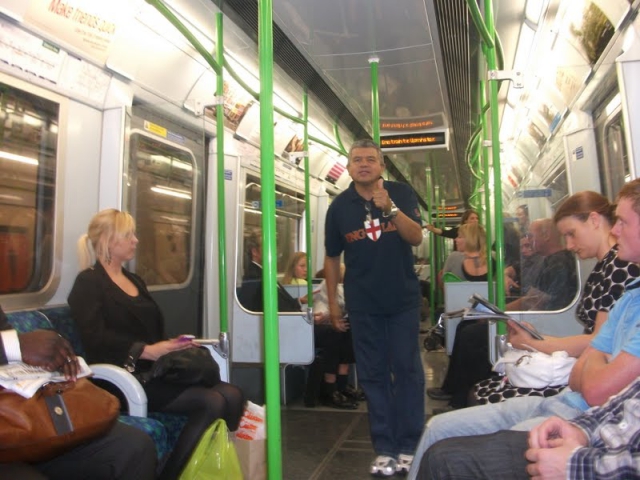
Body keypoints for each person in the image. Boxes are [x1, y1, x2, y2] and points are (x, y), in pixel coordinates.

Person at [407, 179, 640, 480]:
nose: (616, 231)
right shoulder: (627, 289)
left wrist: (550, 346)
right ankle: (454, 394)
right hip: (569, 397)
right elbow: (584, 366)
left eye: (623, 222)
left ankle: (456, 396)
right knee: (436, 428)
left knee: (448, 455)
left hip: (580, 410)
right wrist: (595, 353)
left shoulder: (619, 271)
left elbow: (594, 379)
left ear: (594, 221)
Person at [67, 209, 245, 480]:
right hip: (119, 376)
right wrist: (144, 350)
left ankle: (214, 466)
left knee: (233, 394)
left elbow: (150, 329)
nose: (136, 240)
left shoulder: (134, 280)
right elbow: (94, 339)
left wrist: (170, 345)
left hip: (152, 370)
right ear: (108, 240)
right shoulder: (88, 283)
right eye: (128, 235)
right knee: (210, 402)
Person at [474, 191, 639, 405]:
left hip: (595, 373)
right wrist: (535, 339)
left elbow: (596, 341)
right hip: (584, 366)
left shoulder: (618, 267)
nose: (568, 245)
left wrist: (533, 344)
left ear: (594, 220)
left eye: (571, 234)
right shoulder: (604, 267)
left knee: (483, 394)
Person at [324, 139, 424, 476]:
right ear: (349, 167)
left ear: (381, 165)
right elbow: (332, 257)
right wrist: (334, 303)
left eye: (370, 159)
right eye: (357, 160)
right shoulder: (339, 207)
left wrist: (391, 209)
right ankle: (385, 447)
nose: (363, 164)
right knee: (373, 375)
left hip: (402, 301)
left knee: (407, 371)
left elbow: (416, 237)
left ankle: (410, 443)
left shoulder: (402, 193)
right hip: (363, 303)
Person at [0, 306, 156, 480]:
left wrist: (53, 357)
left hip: (13, 417)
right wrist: (14, 346)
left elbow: (9, 346)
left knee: (134, 447)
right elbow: (14, 345)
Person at [427, 223, 495, 409]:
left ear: (470, 239)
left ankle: (454, 390)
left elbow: (444, 284)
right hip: (481, 313)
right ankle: (456, 389)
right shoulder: (492, 260)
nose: (456, 240)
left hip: (473, 313)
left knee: (465, 330)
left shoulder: (455, 259)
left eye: (460, 236)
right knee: (465, 328)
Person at [304, 265, 361, 409]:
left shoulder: (340, 287)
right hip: (313, 325)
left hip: (323, 322)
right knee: (334, 332)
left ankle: (342, 383)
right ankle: (330, 387)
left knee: (347, 328)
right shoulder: (326, 286)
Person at [505, 218, 577, 311]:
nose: (529, 240)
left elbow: (532, 301)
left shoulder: (558, 263)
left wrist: (499, 312)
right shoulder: (552, 260)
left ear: (546, 235)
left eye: (531, 236)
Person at [238, 231, 302, 312]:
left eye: (275, 247)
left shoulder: (265, 273)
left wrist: (300, 301)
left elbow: (282, 303)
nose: (275, 251)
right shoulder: (254, 277)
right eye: (269, 247)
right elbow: (278, 308)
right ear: (255, 252)